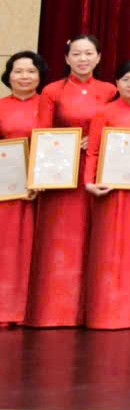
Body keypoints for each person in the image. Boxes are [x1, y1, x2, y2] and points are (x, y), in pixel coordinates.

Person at [0, 52, 44, 325]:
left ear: (40, 76)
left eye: (31, 71)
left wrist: (41, 180)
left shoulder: (50, 106)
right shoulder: (1, 106)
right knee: (7, 249)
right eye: (18, 71)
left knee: (38, 251)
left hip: (45, 192)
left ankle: (34, 311)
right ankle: (6, 310)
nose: (25, 77)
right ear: (8, 75)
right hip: (8, 192)